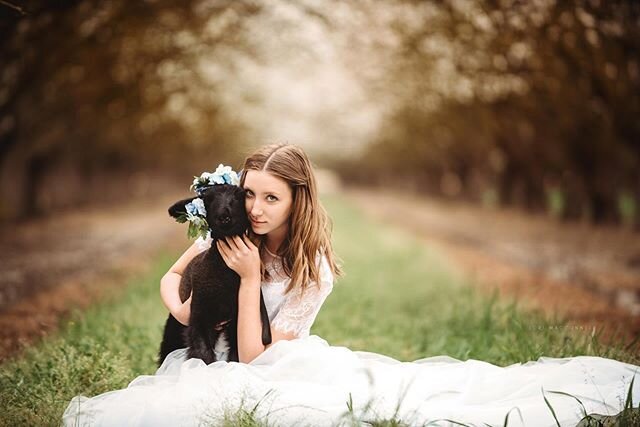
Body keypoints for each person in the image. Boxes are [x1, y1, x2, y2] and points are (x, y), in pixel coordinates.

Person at [63, 144, 639, 427]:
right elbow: (171, 278)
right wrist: (185, 314)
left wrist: (244, 284)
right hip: (210, 349)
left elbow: (257, 354)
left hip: (271, 363)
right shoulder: (229, 234)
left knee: (413, 400)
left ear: (297, 200)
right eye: (249, 194)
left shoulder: (311, 268)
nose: (256, 209)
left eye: (272, 197)